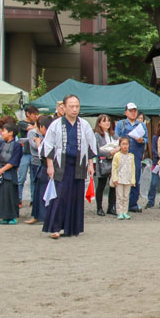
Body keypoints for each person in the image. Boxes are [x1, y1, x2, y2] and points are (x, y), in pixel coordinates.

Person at [41, 95, 97, 238]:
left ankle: (72, 228)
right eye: (71, 106)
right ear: (63, 108)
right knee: (59, 195)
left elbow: (90, 146)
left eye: (77, 106)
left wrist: (90, 164)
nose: (74, 109)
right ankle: (54, 227)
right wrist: (50, 166)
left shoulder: (84, 124)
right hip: (61, 164)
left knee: (76, 196)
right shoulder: (56, 124)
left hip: (79, 164)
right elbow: (48, 146)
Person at [114, 102, 146, 213]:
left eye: (134, 111)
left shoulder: (141, 125)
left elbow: (146, 139)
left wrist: (142, 140)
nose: (133, 113)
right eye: (131, 110)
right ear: (126, 112)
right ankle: (118, 205)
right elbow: (115, 138)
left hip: (136, 154)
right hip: (122, 155)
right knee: (120, 178)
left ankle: (133, 203)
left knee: (135, 178)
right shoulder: (121, 124)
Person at [0, 123, 22, 224]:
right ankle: (4, 216)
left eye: (3, 131)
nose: (1, 133)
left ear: (11, 133)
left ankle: (12, 216)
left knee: (10, 194)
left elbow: (14, 161)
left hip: (9, 171)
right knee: (0, 194)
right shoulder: (0, 143)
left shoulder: (17, 145)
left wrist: (1, 170)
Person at [25, 116, 53, 225]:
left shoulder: (50, 138)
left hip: (47, 167)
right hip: (41, 167)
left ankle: (44, 216)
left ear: (43, 127)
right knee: (37, 191)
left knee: (44, 192)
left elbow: (44, 153)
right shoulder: (46, 137)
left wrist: (38, 143)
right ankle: (36, 216)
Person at [93, 114, 118, 217]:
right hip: (102, 162)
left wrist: (116, 150)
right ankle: (99, 207)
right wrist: (109, 153)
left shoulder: (113, 134)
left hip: (114, 162)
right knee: (101, 185)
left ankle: (111, 207)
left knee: (113, 185)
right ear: (99, 123)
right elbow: (97, 150)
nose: (107, 123)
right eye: (104, 121)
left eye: (108, 121)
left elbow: (119, 143)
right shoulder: (97, 135)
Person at [16, 105, 40, 202]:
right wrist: (38, 123)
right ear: (28, 114)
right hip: (25, 153)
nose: (36, 116)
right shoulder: (22, 123)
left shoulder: (36, 123)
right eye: (34, 114)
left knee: (33, 178)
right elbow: (30, 129)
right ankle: (18, 199)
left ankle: (33, 199)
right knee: (21, 177)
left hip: (34, 154)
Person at [145, 119, 160, 209]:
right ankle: (150, 201)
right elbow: (154, 150)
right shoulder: (156, 137)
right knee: (153, 183)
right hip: (157, 162)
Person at [111, 137, 136, 220]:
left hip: (128, 179)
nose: (125, 146)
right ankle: (119, 212)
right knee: (119, 196)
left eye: (127, 144)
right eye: (123, 144)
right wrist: (114, 178)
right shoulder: (117, 156)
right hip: (119, 179)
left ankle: (125, 211)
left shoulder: (131, 156)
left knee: (126, 196)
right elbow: (114, 168)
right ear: (120, 145)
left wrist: (133, 179)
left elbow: (133, 168)